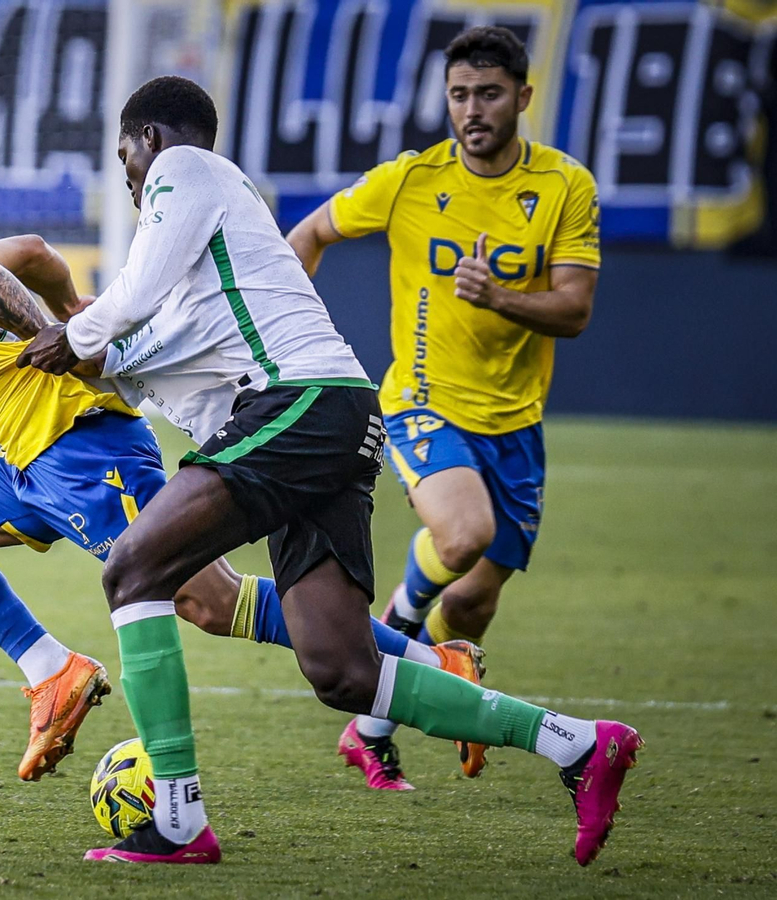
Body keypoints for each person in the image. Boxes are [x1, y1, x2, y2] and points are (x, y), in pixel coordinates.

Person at [18, 74, 639, 866]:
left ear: (148, 141)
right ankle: (580, 745)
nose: (130, 181)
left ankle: (176, 819)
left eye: (125, 159)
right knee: (342, 670)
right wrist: (46, 351)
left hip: (299, 406)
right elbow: (135, 351)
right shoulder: (213, 254)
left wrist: (72, 337)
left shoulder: (189, 170)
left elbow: (128, 301)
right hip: (333, 417)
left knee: (135, 568)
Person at [0, 235, 481, 785]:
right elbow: (29, 250)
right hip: (26, 456)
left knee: (207, 601)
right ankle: (52, 671)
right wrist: (65, 307)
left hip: (82, 447)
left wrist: (63, 340)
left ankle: (431, 660)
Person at [285, 25, 602, 790]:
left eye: (489, 94)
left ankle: (371, 732)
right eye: (460, 94)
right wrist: (287, 342)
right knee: (461, 537)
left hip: (515, 423)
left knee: (470, 606)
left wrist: (499, 297)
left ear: (523, 98)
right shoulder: (410, 179)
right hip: (422, 401)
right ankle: (393, 629)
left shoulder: (564, 187)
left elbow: (574, 308)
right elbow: (312, 232)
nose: (472, 110)